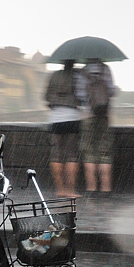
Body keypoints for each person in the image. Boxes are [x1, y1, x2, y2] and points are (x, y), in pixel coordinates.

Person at [45, 60, 82, 197]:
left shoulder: (54, 75)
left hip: (55, 119)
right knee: (71, 155)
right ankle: (71, 190)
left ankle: (59, 189)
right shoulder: (77, 76)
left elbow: (46, 97)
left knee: (56, 155)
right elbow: (82, 97)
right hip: (72, 118)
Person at [79, 58, 116, 194]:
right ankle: (106, 189)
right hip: (104, 115)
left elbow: (79, 95)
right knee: (105, 153)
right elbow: (112, 91)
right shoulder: (105, 69)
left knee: (89, 153)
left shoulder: (82, 71)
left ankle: (91, 188)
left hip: (88, 116)